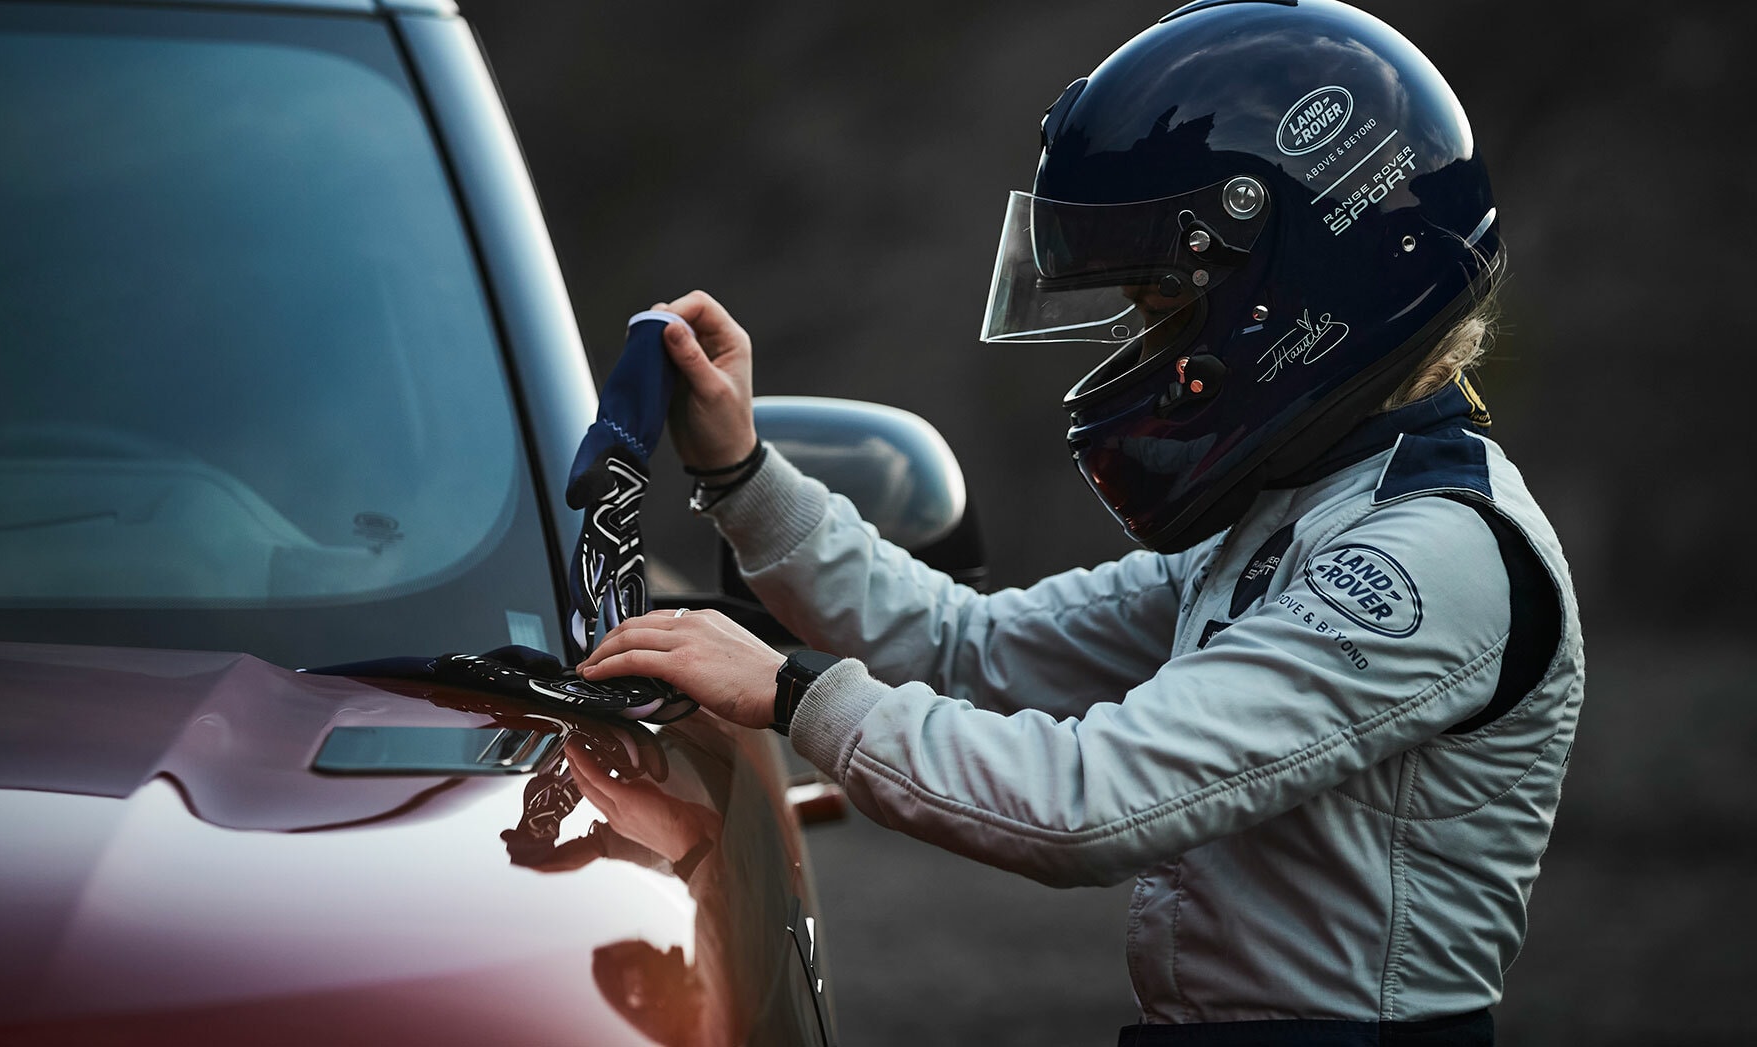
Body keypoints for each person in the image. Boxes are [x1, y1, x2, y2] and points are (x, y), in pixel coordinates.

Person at [579, 1, 1584, 1042]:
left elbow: (1093, 802)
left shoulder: (1433, 555)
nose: (1148, 345)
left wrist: (792, 693)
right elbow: (968, 646)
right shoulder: (1298, 515)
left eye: (1161, 309)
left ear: (1288, 296)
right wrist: (742, 473)